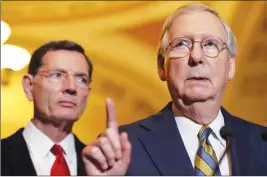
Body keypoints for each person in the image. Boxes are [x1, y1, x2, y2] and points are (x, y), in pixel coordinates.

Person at [82, 3, 267, 176]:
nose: (196, 56)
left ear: (231, 66)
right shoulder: (124, 149)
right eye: (181, 44)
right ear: (162, 66)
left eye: (210, 44)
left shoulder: (262, 143)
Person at [1, 40, 93, 176]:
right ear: (29, 86)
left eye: (81, 79)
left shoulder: (99, 165)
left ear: (88, 94)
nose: (71, 87)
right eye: (57, 75)